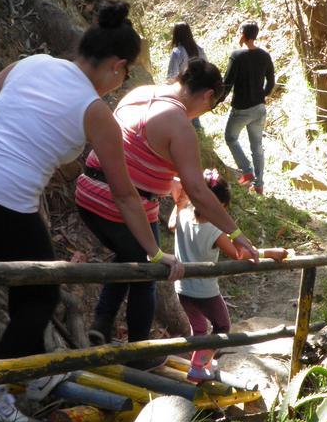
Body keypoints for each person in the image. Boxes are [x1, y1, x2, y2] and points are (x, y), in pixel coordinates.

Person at [0, 1, 183, 422]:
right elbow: (125, 195)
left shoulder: (30, 64)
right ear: (117, 67)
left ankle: (32, 372)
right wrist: (156, 255)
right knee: (43, 292)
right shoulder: (95, 111)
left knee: (28, 287)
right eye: (123, 75)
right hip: (1, 202)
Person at [77, 57, 260, 350]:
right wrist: (237, 235)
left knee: (129, 256)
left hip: (88, 191)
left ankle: (102, 323)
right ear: (208, 95)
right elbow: (199, 192)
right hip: (119, 205)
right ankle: (140, 350)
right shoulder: (178, 123)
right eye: (209, 107)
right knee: (150, 270)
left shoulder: (139, 93)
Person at [170, 171, 287, 382]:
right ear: (220, 206)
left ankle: (202, 360)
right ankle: (198, 365)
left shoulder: (183, 215)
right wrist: (270, 252)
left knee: (198, 328)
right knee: (222, 326)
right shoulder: (214, 230)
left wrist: (181, 201)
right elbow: (239, 254)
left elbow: (171, 224)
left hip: (182, 289)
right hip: (205, 291)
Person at [223, 20, 276, 194]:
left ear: (243, 35)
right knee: (257, 146)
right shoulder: (264, 55)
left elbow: (227, 83)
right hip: (259, 108)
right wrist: (262, 95)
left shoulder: (237, 56)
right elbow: (271, 82)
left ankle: (247, 171)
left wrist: (215, 101)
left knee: (231, 137)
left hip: (241, 108)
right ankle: (259, 184)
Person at [167, 23, 204, 130]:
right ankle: (199, 134)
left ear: (176, 35)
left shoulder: (177, 52)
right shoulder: (199, 49)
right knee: (194, 113)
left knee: (185, 116)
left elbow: (171, 74)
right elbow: (206, 65)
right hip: (199, 86)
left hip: (183, 88)